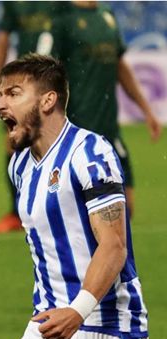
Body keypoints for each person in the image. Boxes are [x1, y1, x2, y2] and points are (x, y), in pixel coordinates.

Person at [0, 54, 153, 339]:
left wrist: (78, 310)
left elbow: (114, 245)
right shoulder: (20, 166)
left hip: (106, 325)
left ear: (47, 100)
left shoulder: (91, 153)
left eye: (13, 93)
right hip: (46, 329)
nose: (0, 104)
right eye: (0, 94)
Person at [41, 1, 162, 218]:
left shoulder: (106, 15)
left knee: (125, 208)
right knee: (85, 214)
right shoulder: (63, 17)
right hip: (77, 131)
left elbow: (119, 65)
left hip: (109, 130)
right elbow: (44, 73)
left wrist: (146, 110)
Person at [0, 1, 68, 234]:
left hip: (54, 82)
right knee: (13, 142)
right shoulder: (16, 3)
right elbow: (3, 36)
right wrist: (1, 80)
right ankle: (18, 211)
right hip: (23, 85)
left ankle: (54, 206)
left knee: (57, 141)